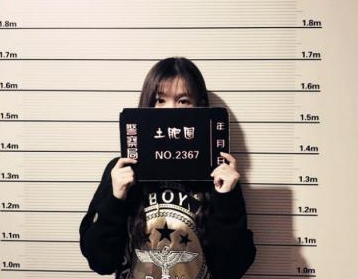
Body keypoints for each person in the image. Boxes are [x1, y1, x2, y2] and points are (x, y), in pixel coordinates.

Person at [79, 57, 256, 279]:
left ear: (200, 107)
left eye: (183, 101)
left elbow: (231, 269)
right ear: (147, 105)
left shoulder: (217, 173)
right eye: (160, 100)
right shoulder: (122, 171)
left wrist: (226, 200)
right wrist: (115, 200)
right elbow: (100, 261)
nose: (170, 110)